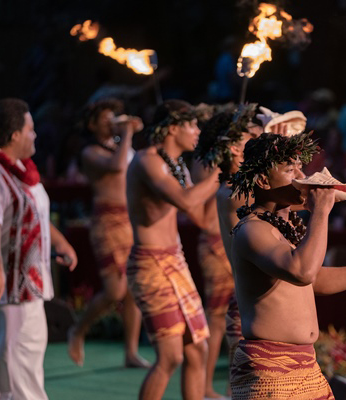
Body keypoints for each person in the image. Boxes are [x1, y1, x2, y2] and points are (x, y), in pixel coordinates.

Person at [228, 133, 346, 399]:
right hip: (270, 369)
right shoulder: (252, 230)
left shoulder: (286, 229)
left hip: (306, 366)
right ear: (263, 180)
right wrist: (321, 210)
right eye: (290, 170)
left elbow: (314, 279)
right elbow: (303, 271)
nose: (301, 175)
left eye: (301, 167)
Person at [0, 98, 78, 399]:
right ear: (13, 135)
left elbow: (34, 214)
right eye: (30, 129)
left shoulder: (21, 171)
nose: (35, 135)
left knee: (26, 362)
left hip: (27, 287)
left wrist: (61, 243)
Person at [126, 99, 220, 400]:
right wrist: (222, 172)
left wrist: (227, 179)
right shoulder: (147, 160)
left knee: (197, 351)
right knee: (171, 357)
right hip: (150, 265)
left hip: (175, 261)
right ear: (173, 127)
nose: (196, 131)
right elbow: (185, 201)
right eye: (191, 125)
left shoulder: (177, 166)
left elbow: (204, 219)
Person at [67, 98, 149, 368]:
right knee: (115, 291)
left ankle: (131, 351)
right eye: (105, 118)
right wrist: (127, 133)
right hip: (106, 223)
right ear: (92, 124)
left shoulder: (120, 147)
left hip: (130, 219)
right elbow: (116, 167)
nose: (111, 121)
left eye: (113, 116)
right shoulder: (90, 152)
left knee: (132, 290)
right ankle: (78, 328)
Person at [194, 104, 262, 397]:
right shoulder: (231, 188)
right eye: (250, 135)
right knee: (216, 316)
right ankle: (205, 386)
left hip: (242, 270)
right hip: (216, 251)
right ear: (233, 148)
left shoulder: (242, 183)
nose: (257, 137)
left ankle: (213, 386)